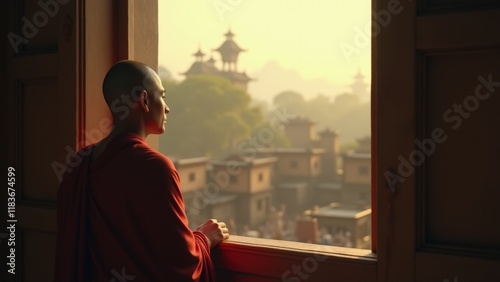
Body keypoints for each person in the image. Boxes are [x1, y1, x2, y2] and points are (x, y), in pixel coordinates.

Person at [54, 60, 230, 281]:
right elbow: (181, 262)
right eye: (162, 96)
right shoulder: (156, 167)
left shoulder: (78, 164)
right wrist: (205, 238)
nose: (167, 107)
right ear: (144, 100)